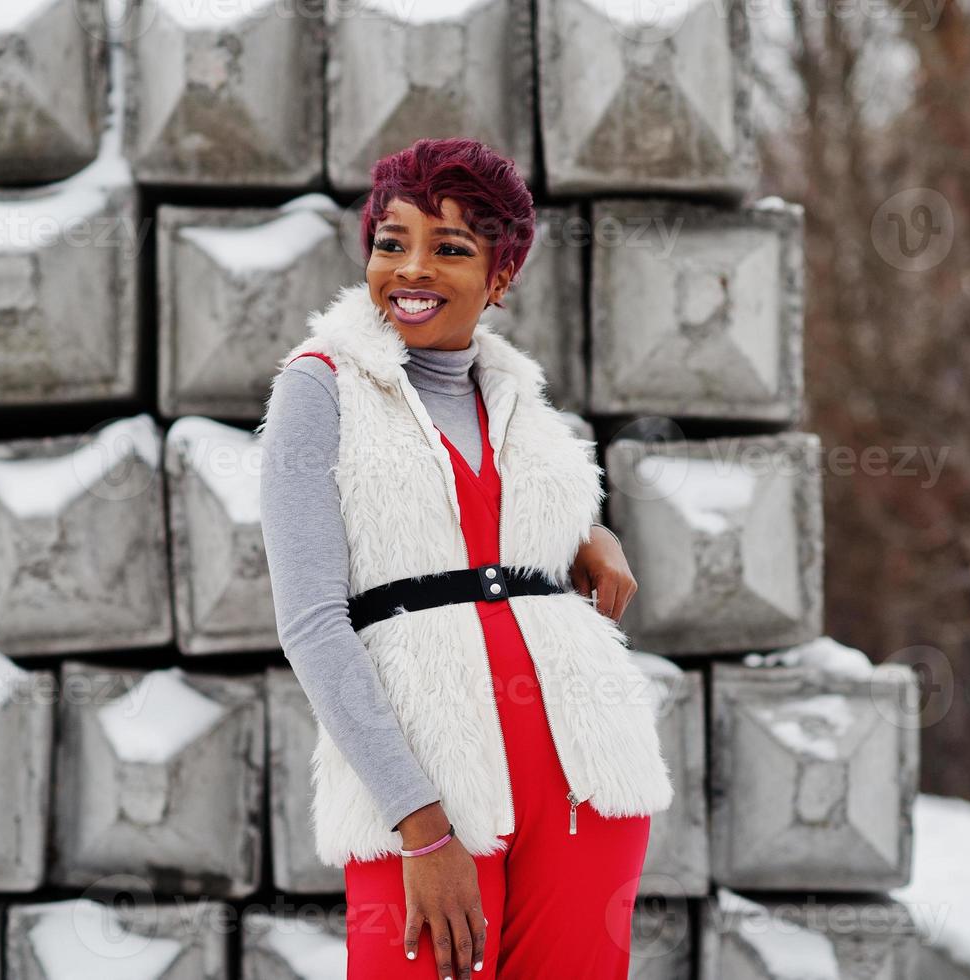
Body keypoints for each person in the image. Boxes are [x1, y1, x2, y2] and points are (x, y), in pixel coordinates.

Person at [258, 137, 673, 979]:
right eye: (390, 243)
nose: (411, 270)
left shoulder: (523, 397)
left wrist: (589, 532)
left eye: (449, 249)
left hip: (583, 782)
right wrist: (421, 824)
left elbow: (514, 518)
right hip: (428, 789)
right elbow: (310, 623)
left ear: (500, 275)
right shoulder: (320, 388)